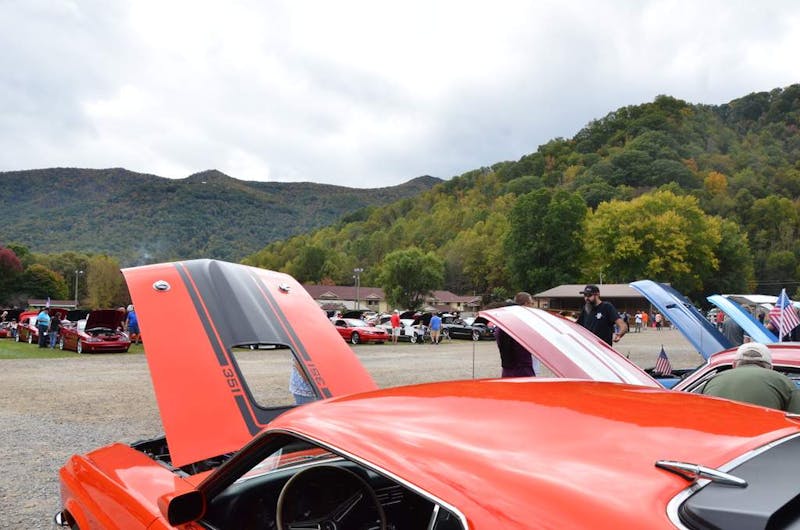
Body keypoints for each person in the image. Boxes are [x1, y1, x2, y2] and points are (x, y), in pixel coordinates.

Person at [700, 342, 800, 412]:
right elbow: (796, 420)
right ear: (770, 367)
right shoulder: (784, 382)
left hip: (720, 438)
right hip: (764, 440)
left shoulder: (713, 380)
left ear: (734, 364)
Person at [497, 292, 539, 377]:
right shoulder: (523, 323)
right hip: (522, 368)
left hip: (508, 368)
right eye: (532, 303)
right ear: (526, 304)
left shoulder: (504, 321)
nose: (532, 306)